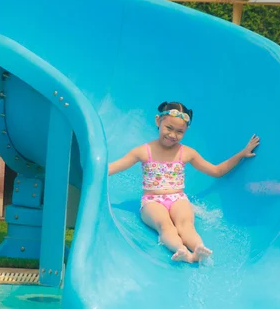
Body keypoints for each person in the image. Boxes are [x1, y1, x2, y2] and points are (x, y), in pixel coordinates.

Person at [109, 101, 260, 263]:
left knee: (186, 224)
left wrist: (242, 154)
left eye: (179, 131)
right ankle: (182, 251)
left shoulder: (186, 153)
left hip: (177, 198)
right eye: (169, 128)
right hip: (152, 201)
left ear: (186, 130)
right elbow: (112, 167)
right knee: (165, 225)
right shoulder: (143, 151)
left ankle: (198, 250)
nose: (173, 135)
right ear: (158, 121)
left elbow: (216, 171)